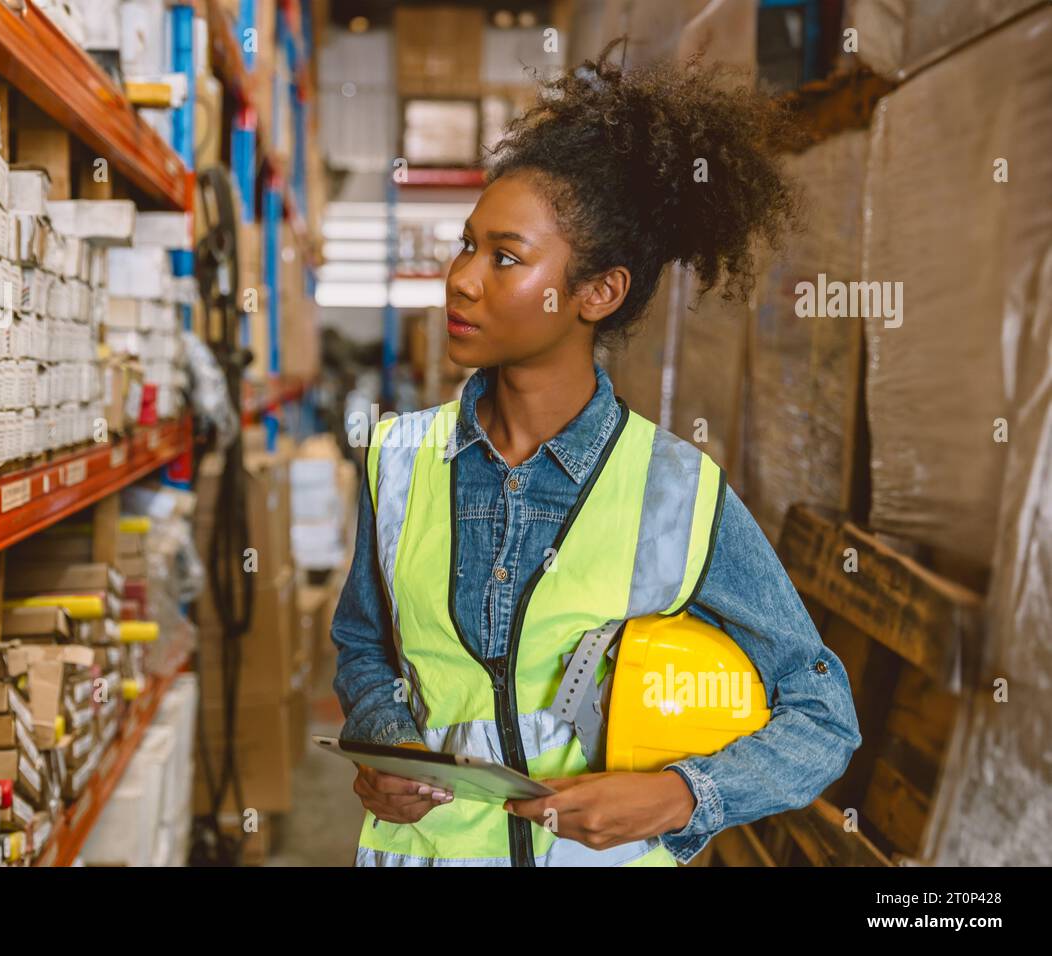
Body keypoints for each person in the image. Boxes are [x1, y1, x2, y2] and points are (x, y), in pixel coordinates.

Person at [331, 41, 862, 867]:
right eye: (466, 245)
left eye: (505, 257)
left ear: (596, 292)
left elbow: (822, 711)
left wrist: (683, 795)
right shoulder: (397, 459)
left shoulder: (676, 492)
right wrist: (383, 741)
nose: (462, 279)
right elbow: (365, 645)